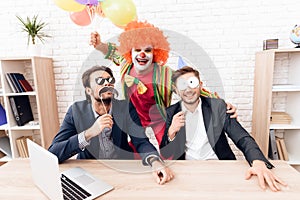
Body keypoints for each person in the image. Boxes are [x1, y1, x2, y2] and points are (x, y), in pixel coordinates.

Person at [90, 21, 237, 146]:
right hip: (132, 115)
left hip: (157, 116)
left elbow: (190, 88)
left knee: (168, 147)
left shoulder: (166, 74)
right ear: (130, 52)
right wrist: (98, 44)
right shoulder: (125, 64)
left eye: (147, 50)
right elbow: (112, 52)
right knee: (130, 147)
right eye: (138, 50)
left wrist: (220, 103)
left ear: (155, 53)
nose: (142, 54)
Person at [159, 66, 288, 191]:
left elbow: (242, 137)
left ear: (200, 85)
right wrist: (171, 132)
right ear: (176, 89)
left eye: (192, 83)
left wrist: (258, 161)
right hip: (188, 170)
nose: (188, 89)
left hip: (219, 165)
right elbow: (165, 152)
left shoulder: (218, 106)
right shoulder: (170, 112)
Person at [48, 65, 174, 185]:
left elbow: (141, 141)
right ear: (88, 90)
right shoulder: (76, 111)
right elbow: (54, 152)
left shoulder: (126, 108)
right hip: (89, 170)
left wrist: (155, 161)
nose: (107, 83)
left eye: (110, 80)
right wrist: (89, 133)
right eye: (100, 81)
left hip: (121, 169)